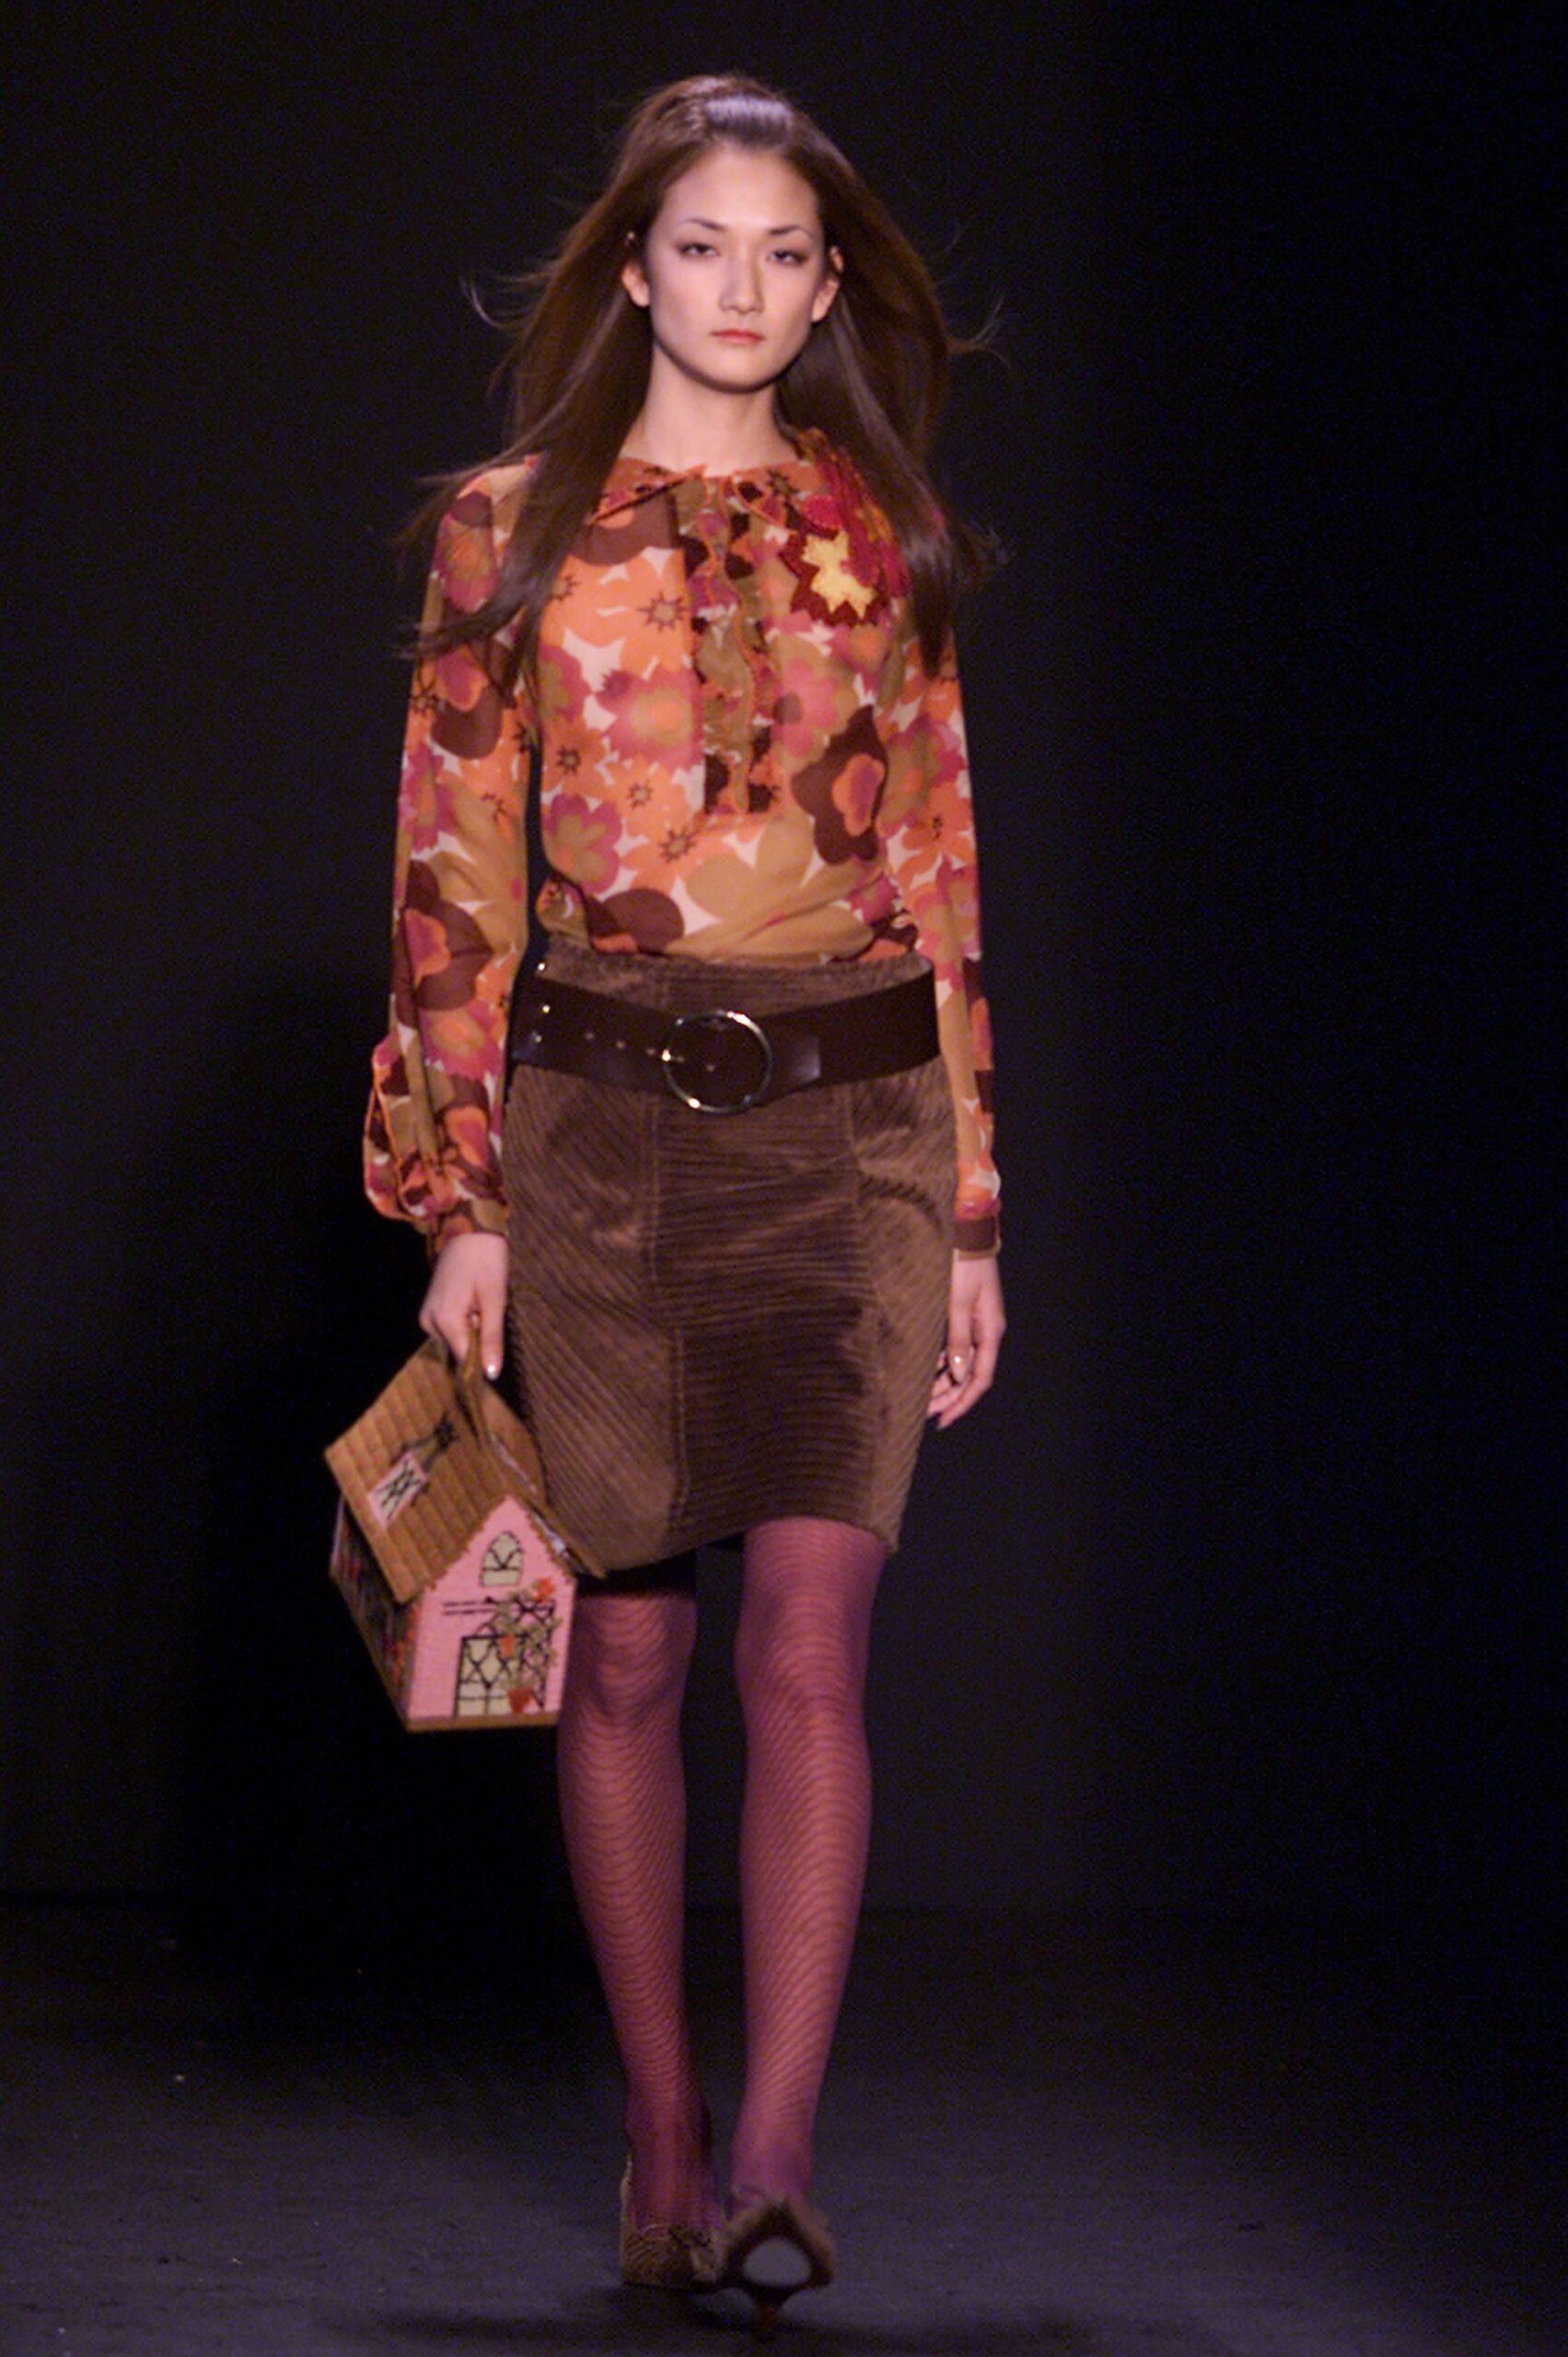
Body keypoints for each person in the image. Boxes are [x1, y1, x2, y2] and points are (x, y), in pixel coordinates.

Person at [363, 71, 1005, 2328]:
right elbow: (450, 880)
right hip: (602, 1136)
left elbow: (937, 870)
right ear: (634, 262)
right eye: (706, 244)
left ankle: (772, 2150)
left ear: (830, 289)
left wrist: (981, 1205)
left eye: (789, 255)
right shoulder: (511, 535)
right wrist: (462, 1194)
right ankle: (652, 2118)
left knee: (813, 1645)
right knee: (627, 1652)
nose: (746, 288)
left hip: (856, 1135)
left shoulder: (880, 531)